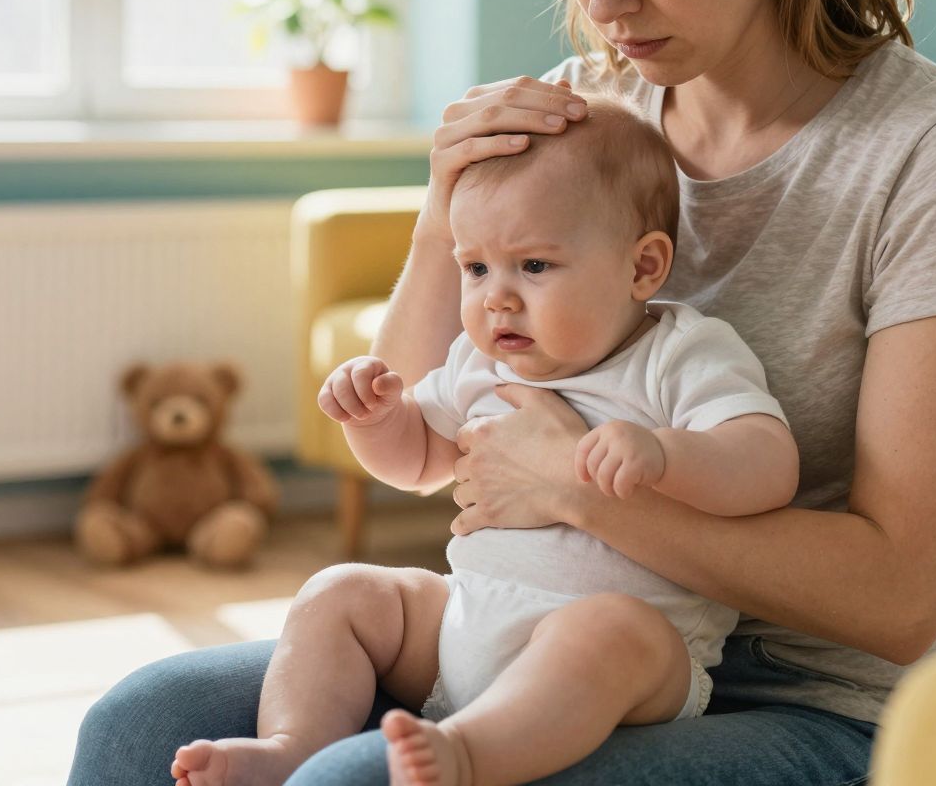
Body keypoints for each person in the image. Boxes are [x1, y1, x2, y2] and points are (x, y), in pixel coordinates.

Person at [71, 0, 936, 785]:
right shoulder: (575, 119)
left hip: (822, 703)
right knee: (139, 722)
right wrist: (444, 214)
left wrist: (572, 493)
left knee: (352, 782)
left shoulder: (929, 149)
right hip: (522, 636)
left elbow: (898, 597)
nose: (606, 0)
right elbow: (423, 438)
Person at [171, 98, 797, 786]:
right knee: (339, 591)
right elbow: (418, 465)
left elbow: (768, 465)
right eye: (476, 269)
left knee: (608, 632)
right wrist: (378, 421)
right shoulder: (481, 363)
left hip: (629, 663)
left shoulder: (680, 355)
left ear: (642, 267)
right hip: (463, 625)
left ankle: (470, 756)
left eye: (533, 266)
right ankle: (293, 745)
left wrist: (668, 456)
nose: (497, 298)